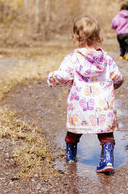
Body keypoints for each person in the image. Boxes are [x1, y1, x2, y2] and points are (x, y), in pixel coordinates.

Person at [47, 16, 123, 173]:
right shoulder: (106, 59)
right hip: (103, 105)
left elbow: (64, 77)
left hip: (80, 105)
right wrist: (114, 84)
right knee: (105, 133)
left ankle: (70, 155)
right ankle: (107, 159)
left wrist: (52, 77)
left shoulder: (72, 59)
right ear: (99, 37)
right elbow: (118, 77)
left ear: (75, 37)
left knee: (74, 131)